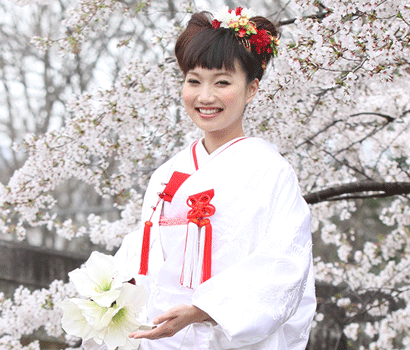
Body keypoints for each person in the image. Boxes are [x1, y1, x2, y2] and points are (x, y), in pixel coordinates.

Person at [86, 7, 315, 350]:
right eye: (194, 81)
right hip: (161, 340)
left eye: (222, 82)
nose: (205, 96)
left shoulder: (269, 171)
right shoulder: (168, 173)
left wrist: (202, 309)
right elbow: (143, 250)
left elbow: (283, 264)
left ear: (250, 89)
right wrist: (110, 294)